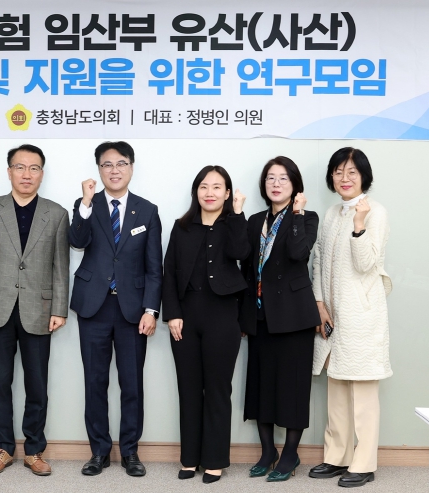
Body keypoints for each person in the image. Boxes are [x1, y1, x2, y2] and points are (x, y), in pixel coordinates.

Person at [0, 144, 69, 477]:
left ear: (42, 173)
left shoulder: (56, 213)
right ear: (9, 171)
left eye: (34, 168)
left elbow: (61, 266)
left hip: (39, 309)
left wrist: (60, 308)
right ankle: (2, 448)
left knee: (37, 384)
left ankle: (34, 450)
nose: (27, 174)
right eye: (20, 167)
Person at [69, 141, 163, 477]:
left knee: (131, 384)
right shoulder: (87, 205)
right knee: (94, 383)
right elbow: (76, 241)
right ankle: (99, 452)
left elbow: (154, 267)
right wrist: (84, 203)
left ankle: (130, 452)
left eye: (121, 163)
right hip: (93, 307)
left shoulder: (147, 210)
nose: (114, 170)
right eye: (107, 164)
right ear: (99, 170)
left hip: (133, 310)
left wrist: (151, 310)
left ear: (131, 167)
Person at [308, 147, 392, 488]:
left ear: (363, 177)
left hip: (361, 316)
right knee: (337, 388)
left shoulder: (376, 212)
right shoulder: (331, 213)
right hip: (332, 317)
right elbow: (318, 260)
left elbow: (366, 263)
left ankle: (364, 463)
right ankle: (337, 456)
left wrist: (359, 224)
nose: (344, 178)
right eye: (338, 171)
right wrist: (319, 303)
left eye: (352, 172)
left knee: (363, 392)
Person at [162, 166, 249, 484]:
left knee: (217, 390)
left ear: (227, 193)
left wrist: (236, 214)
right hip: (185, 318)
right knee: (188, 389)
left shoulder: (234, 224)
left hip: (223, 317)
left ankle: (214, 460)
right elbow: (169, 271)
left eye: (217, 187)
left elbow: (241, 252)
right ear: (195, 191)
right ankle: (190, 458)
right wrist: (172, 314)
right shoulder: (182, 227)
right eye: (203, 186)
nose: (209, 192)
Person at [239, 157, 321, 482]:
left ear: (295, 185)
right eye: (270, 178)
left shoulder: (307, 218)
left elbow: (299, 253)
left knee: (293, 387)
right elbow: (245, 265)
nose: (276, 184)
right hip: (259, 315)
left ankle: (290, 453)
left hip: (295, 316)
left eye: (283, 178)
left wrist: (297, 214)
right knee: (261, 385)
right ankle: (267, 451)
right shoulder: (254, 221)